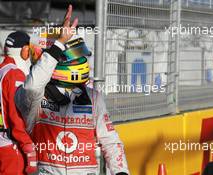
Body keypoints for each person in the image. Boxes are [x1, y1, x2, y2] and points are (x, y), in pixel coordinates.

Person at [15, 5, 129, 175]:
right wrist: (58, 43)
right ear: (52, 57)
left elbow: (111, 141)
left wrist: (121, 172)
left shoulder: (93, 97)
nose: (79, 61)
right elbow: (32, 86)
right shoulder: (33, 97)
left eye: (79, 55)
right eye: (71, 56)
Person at [0, 31, 37, 175]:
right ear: (24, 50)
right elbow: (15, 114)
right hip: (10, 144)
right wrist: (27, 144)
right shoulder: (15, 74)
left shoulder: (2, 70)